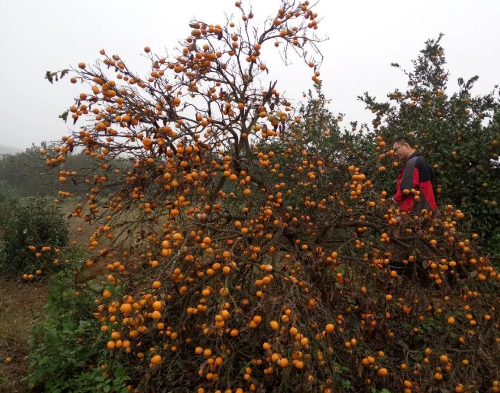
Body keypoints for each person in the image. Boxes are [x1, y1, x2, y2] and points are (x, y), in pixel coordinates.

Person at [392, 137, 437, 213]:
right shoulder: (420, 160)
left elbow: (406, 188)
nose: (395, 153)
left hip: (417, 210)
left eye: (396, 149)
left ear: (406, 146)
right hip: (427, 208)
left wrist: (393, 200)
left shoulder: (413, 162)